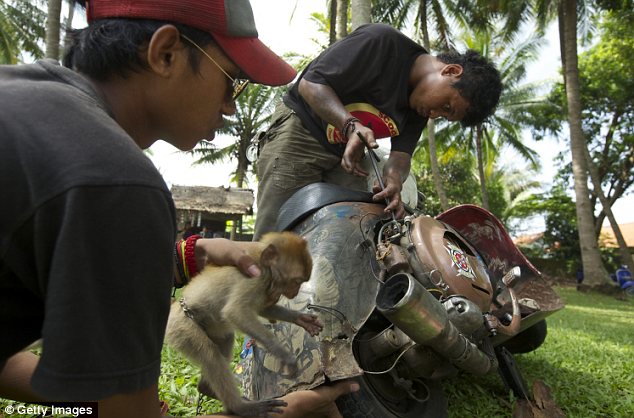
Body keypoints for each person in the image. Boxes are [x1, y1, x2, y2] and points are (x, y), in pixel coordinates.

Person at [0, 0, 358, 416]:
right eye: (233, 82)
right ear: (165, 52)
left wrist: (183, 257)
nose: (231, 108)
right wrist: (279, 412)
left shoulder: (22, 95)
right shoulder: (118, 181)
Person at [254, 23, 502, 239]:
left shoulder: (420, 108)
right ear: (450, 71)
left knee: (350, 233)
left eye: (446, 116)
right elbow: (311, 84)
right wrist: (350, 125)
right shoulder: (381, 42)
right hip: (300, 133)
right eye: (446, 106)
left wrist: (393, 179)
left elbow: (401, 157)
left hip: (346, 160)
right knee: (272, 241)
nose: (437, 114)